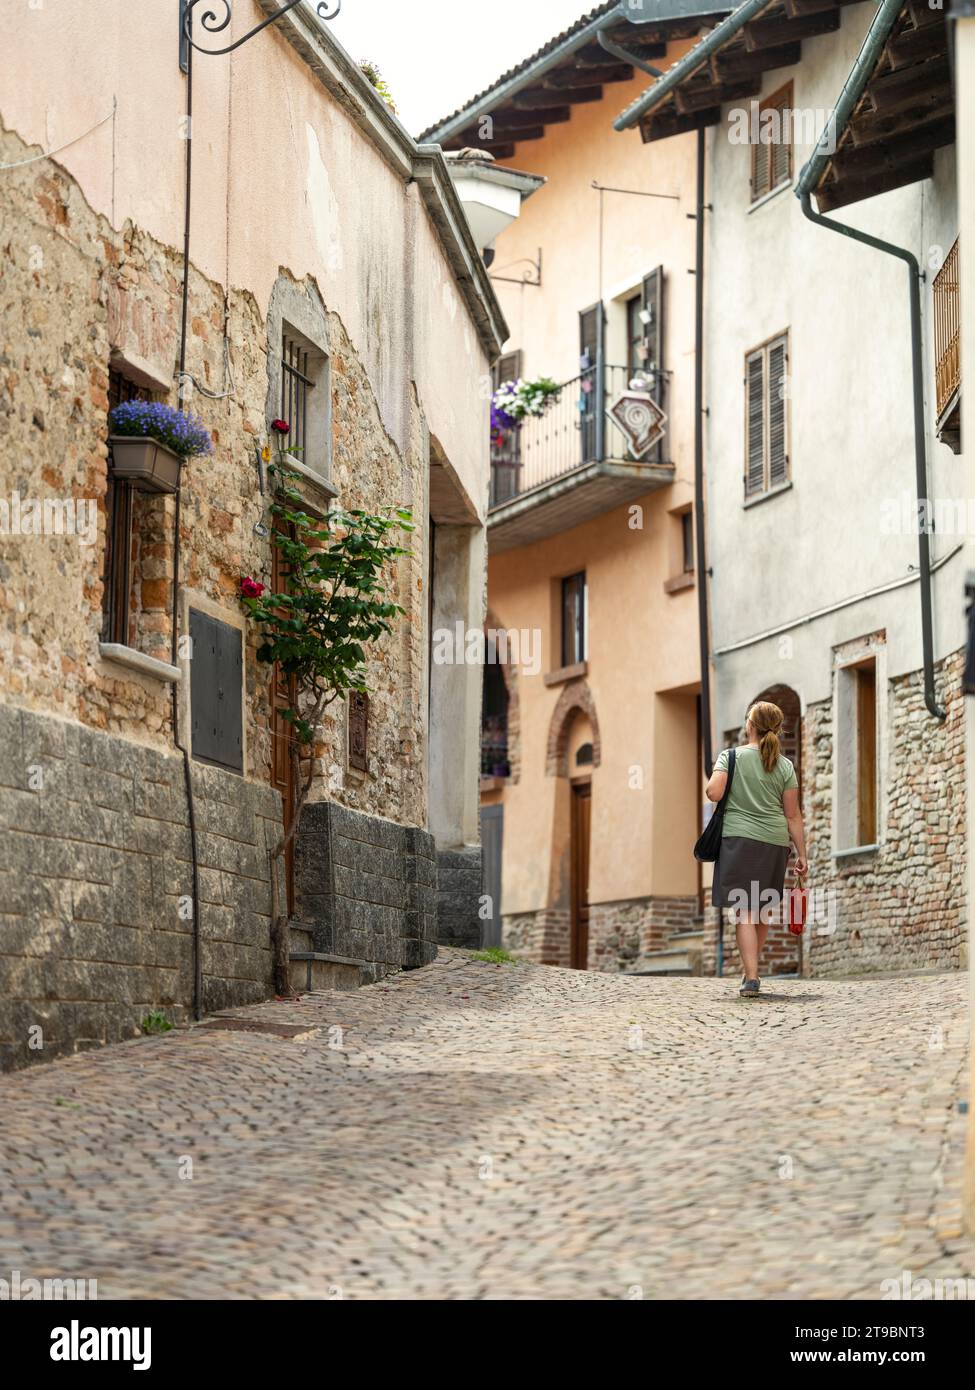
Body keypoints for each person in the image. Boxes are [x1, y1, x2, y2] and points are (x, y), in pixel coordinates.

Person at [705, 701, 808, 998]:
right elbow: (793, 815)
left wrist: (720, 774)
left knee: (744, 911)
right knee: (761, 909)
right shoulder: (785, 766)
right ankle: (751, 971)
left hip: (739, 840)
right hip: (775, 844)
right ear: (776, 729)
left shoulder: (731, 757)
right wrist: (802, 855)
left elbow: (713, 792)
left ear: (749, 726)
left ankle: (751, 977)